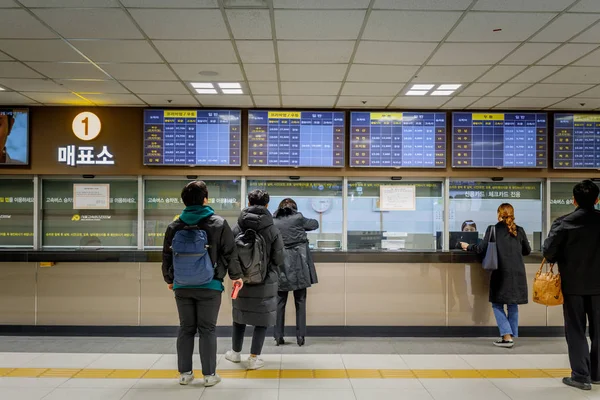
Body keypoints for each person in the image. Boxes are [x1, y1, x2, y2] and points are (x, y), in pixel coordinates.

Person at [161, 181, 243, 387]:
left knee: (186, 328)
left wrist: (170, 280)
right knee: (207, 329)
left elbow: (166, 256)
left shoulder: (175, 225)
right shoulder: (217, 223)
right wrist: (236, 276)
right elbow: (230, 252)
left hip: (182, 285)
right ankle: (209, 375)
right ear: (205, 199)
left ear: (184, 201)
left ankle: (185, 374)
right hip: (210, 284)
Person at [543, 180, 600, 391]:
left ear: (574, 200)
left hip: (573, 286)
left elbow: (549, 253)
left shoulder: (563, 223)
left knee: (576, 330)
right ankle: (597, 374)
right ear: (597, 200)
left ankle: (581, 376)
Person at [225, 189, 284, 370]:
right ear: (267, 205)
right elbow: (279, 258)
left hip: (241, 280)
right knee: (262, 318)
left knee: (240, 315)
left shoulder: (237, 227)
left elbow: (229, 253)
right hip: (265, 279)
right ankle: (253, 357)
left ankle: (235, 353)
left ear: (249, 203)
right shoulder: (272, 229)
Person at [460, 203, 531, 348]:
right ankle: (510, 336)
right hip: (517, 273)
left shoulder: (493, 229)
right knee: (512, 304)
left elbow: (481, 249)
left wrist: (468, 246)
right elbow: (527, 251)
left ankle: (506, 336)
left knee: (497, 304)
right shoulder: (520, 230)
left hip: (501, 272)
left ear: (499, 214)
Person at [272, 198, 319, 347]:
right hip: (299, 265)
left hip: (280, 265)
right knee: (300, 301)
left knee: (279, 302)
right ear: (294, 208)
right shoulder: (298, 218)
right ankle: (300, 337)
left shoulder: (273, 221)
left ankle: (278, 336)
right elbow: (314, 224)